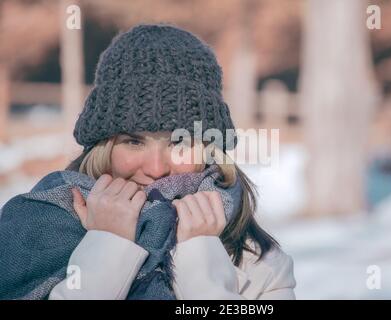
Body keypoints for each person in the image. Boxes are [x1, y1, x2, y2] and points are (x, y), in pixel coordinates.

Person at [0, 24, 296, 300]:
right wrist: (108, 246)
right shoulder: (33, 228)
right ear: (104, 147)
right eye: (133, 141)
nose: (156, 169)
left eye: (179, 142)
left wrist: (200, 259)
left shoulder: (262, 264)